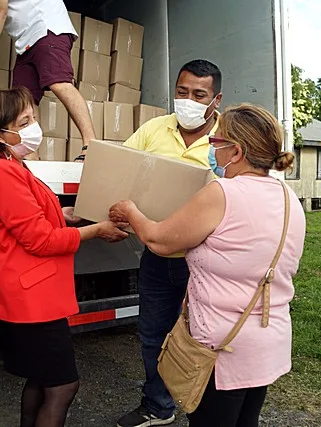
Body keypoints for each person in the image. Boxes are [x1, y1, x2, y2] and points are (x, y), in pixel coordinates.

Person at [110, 103, 306, 427]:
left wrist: (131, 211)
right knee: (246, 421)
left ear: (237, 151)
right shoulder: (288, 198)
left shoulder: (222, 193)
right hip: (268, 339)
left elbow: (159, 239)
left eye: (216, 143)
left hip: (222, 347)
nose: (212, 151)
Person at [0, 87, 129, 427]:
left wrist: (65, 214)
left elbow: (26, 218)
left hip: (29, 296)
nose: (33, 127)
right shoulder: (3, 172)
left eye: (33, 118)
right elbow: (40, 240)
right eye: (24, 121)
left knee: (42, 379)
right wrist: (97, 230)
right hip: (30, 301)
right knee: (63, 385)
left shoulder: (10, 165)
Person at [116, 59, 223, 427]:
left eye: (199, 94)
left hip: (207, 260)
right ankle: (158, 405)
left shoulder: (229, 140)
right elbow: (122, 168)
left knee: (205, 338)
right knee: (153, 334)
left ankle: (204, 409)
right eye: (182, 92)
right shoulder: (154, 129)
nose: (188, 100)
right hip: (159, 253)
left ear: (216, 98)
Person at [0, 0, 95, 161]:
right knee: (24, 100)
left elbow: (0, 10)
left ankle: (90, 144)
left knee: (59, 83)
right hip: (27, 42)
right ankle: (32, 158)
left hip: (46, 29)